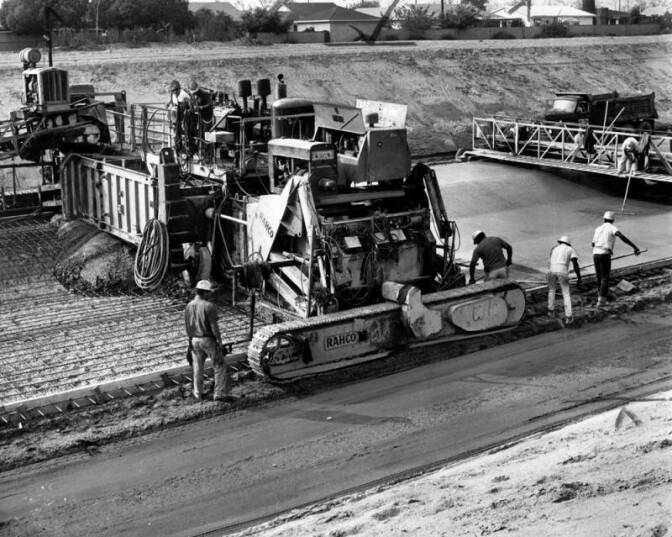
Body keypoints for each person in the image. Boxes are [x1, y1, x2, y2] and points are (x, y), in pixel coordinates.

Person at [184, 280, 233, 402]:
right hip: (207, 340)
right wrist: (220, 343)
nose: (209, 295)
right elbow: (214, 327)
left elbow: (187, 327)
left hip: (194, 340)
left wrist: (190, 343)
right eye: (208, 293)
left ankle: (198, 394)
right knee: (220, 365)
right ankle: (219, 394)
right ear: (205, 293)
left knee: (197, 367)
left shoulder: (189, 306)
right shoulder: (209, 306)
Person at [592, 211, 641, 307]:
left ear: (604, 219)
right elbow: (621, 236)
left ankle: (601, 295)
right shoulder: (612, 227)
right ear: (613, 220)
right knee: (605, 278)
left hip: (595, 254)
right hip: (604, 254)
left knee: (599, 277)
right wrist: (634, 247)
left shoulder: (598, 229)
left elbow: (593, 244)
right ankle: (601, 301)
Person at [547, 235, 582, 324]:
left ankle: (550, 311)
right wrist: (579, 277)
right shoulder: (570, 249)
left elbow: (549, 261)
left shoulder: (554, 248)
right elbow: (575, 263)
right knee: (566, 293)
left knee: (551, 290)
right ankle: (569, 316)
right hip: (562, 271)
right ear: (568, 243)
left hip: (552, 270)